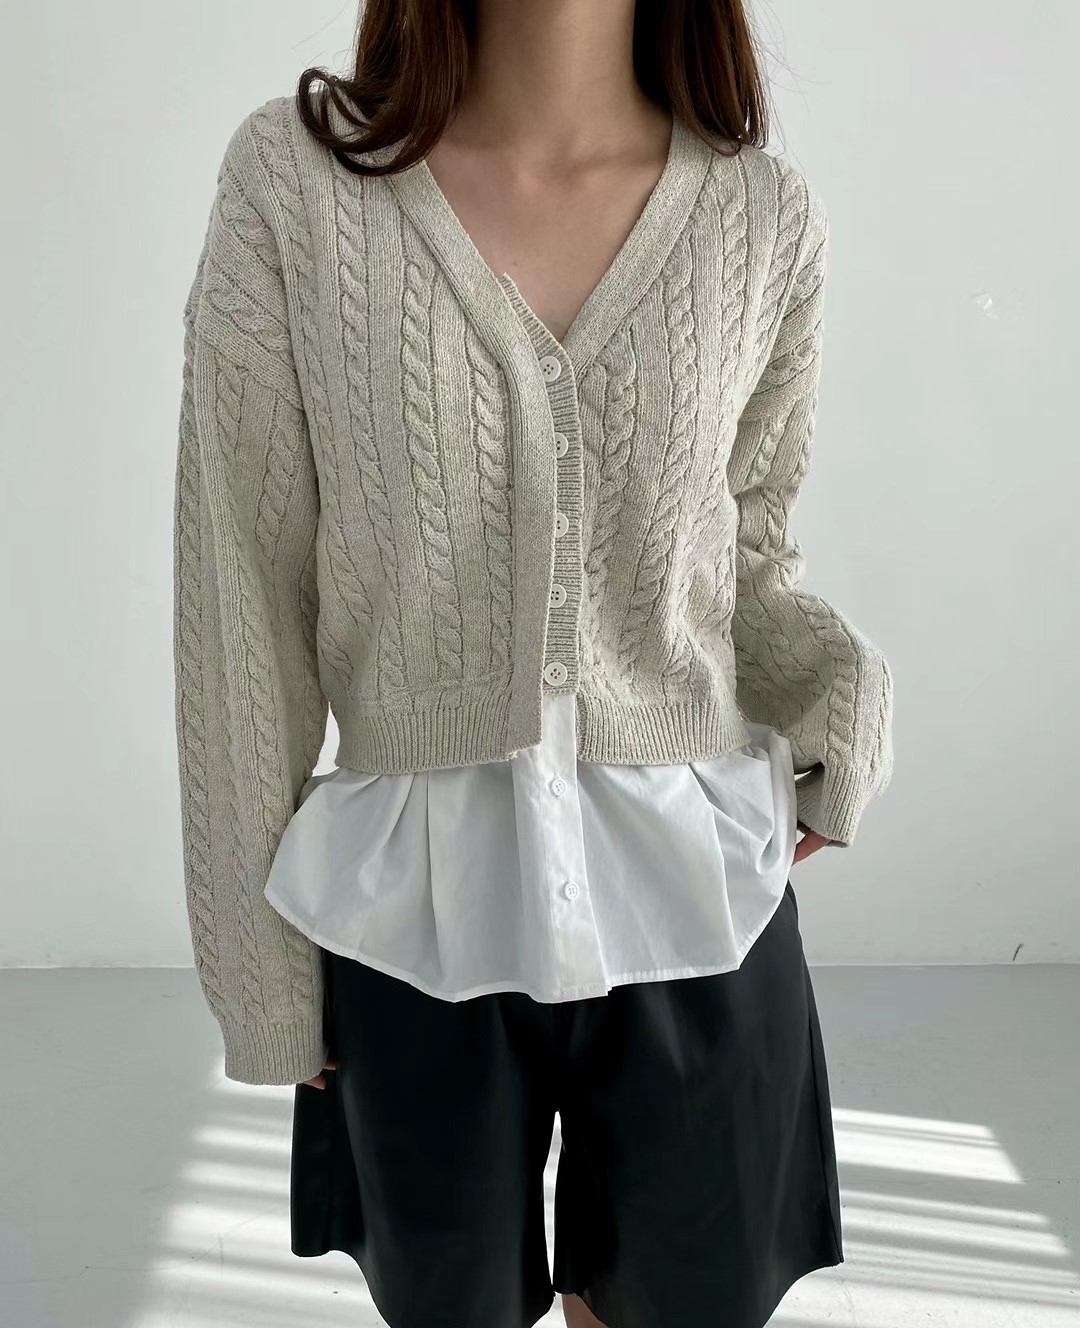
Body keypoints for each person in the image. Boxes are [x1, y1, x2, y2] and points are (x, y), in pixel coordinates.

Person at [172, 2, 894, 1325]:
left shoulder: (762, 219)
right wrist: (262, 978)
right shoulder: (296, 187)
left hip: (697, 912)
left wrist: (837, 702)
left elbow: (743, 553)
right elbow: (239, 603)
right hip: (411, 921)